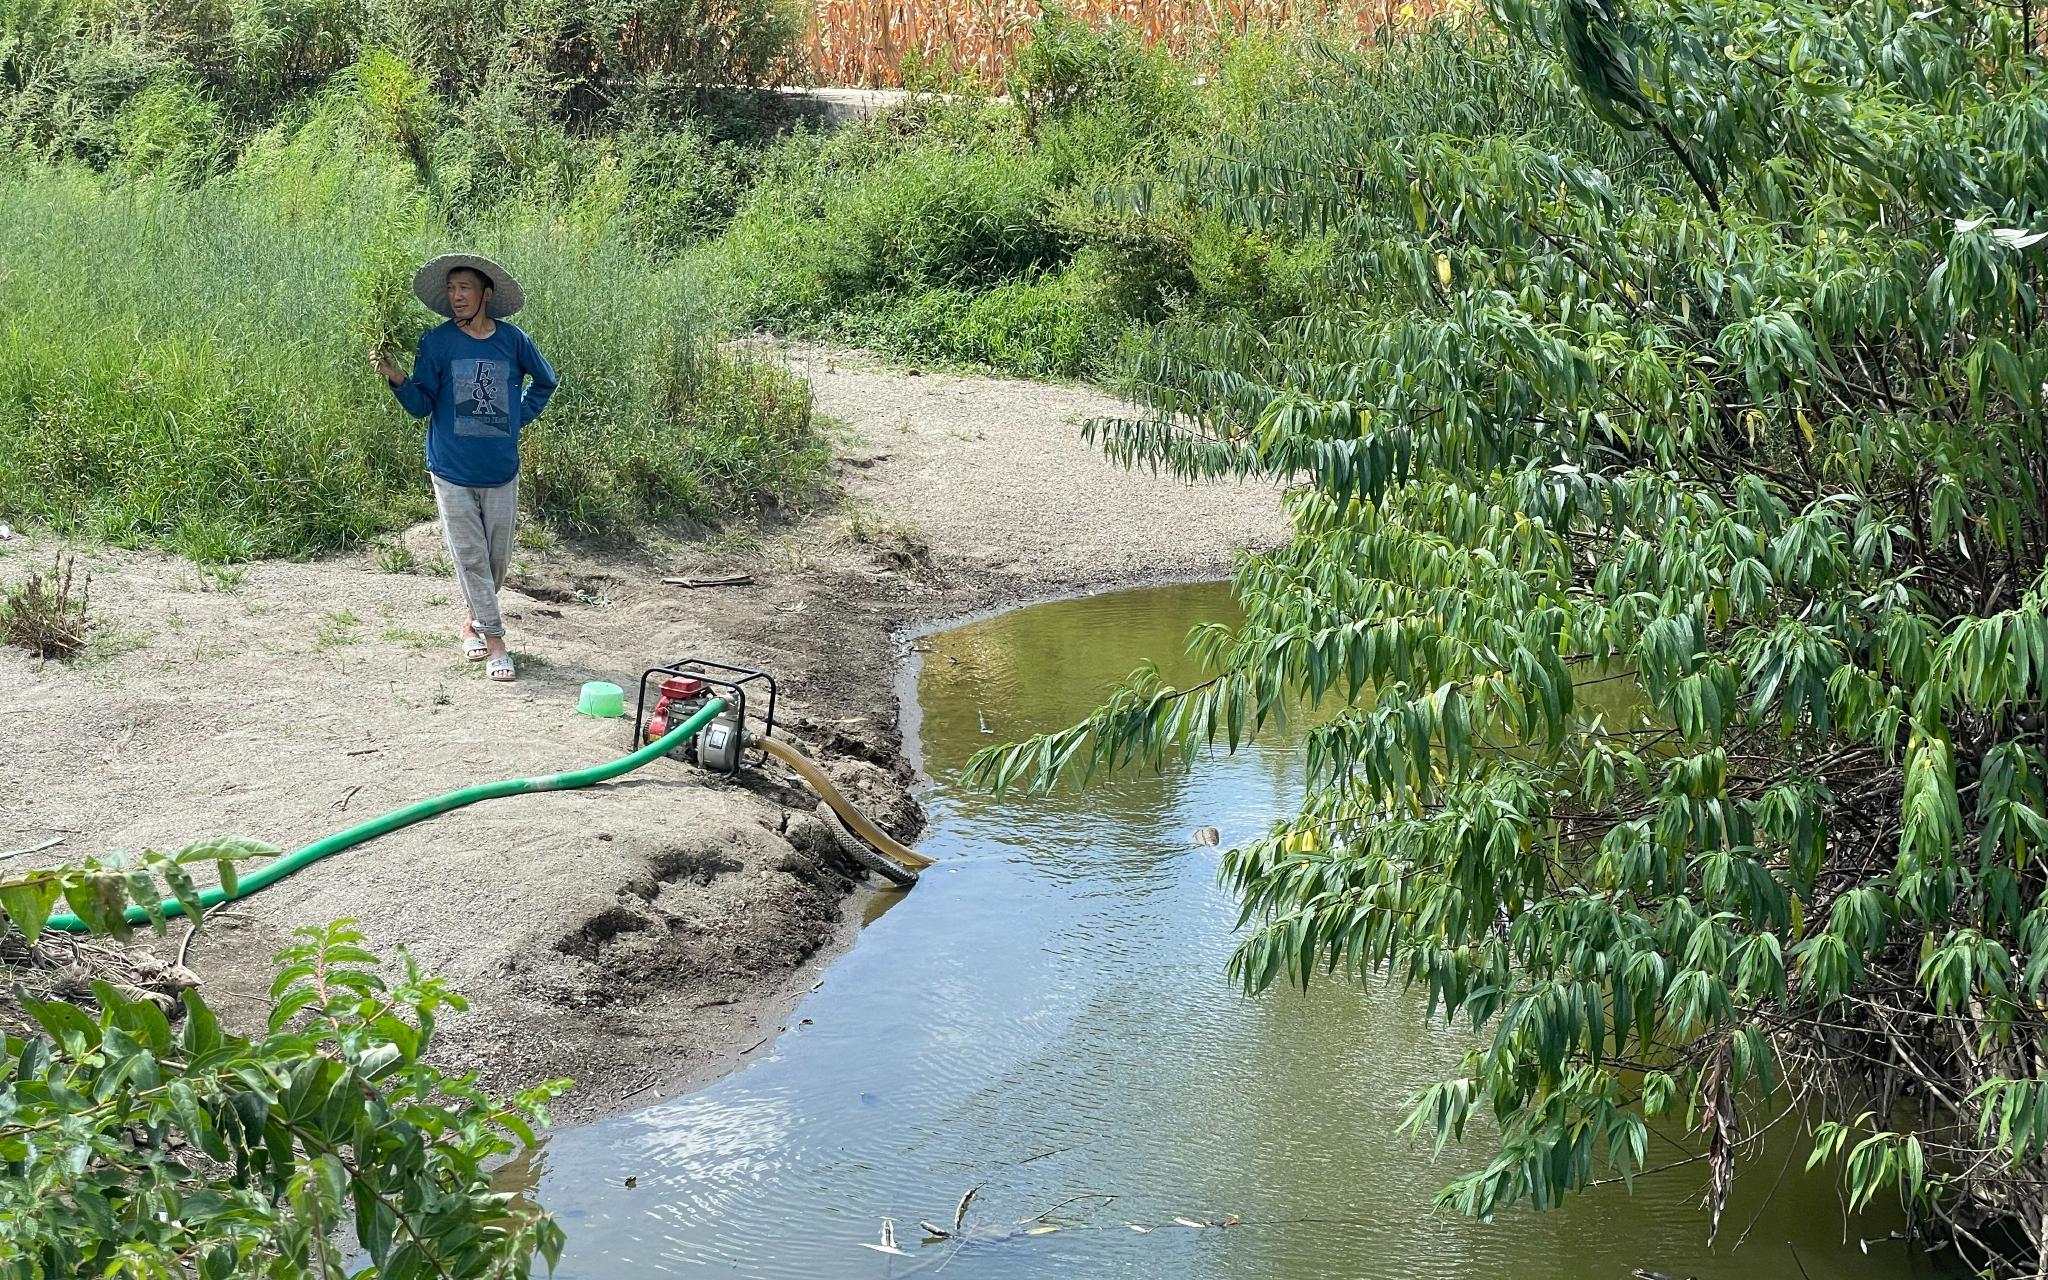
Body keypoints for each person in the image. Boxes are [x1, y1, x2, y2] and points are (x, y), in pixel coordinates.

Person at [373, 253, 557, 682]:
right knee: (471, 556)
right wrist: (397, 379)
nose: (457, 296)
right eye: (452, 289)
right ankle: (496, 641)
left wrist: (519, 416)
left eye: (465, 288)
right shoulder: (436, 343)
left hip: (500, 469)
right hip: (451, 468)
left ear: (485, 295)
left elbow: (545, 381)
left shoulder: (512, 341)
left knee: (496, 560)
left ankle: (471, 622)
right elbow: (422, 405)